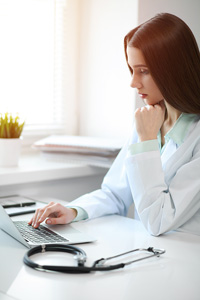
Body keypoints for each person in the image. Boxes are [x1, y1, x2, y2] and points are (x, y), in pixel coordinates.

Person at [29, 13, 200, 236]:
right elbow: (115, 193)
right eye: (132, 70)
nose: (133, 82)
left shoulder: (189, 135)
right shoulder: (149, 121)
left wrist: (147, 141)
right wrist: (73, 210)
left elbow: (158, 220)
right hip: (153, 253)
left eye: (144, 71)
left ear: (172, 69)